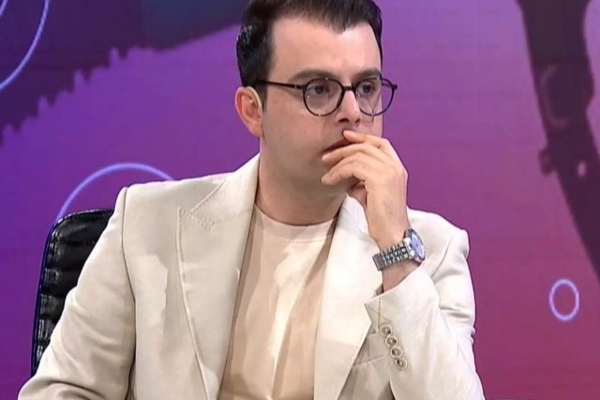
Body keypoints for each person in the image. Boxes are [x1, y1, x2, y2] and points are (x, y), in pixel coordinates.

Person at [19, 0, 485, 398]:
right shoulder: (146, 226)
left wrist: (396, 255)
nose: (352, 112)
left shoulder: (430, 252)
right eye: (319, 90)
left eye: (365, 88)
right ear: (252, 111)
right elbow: (62, 391)